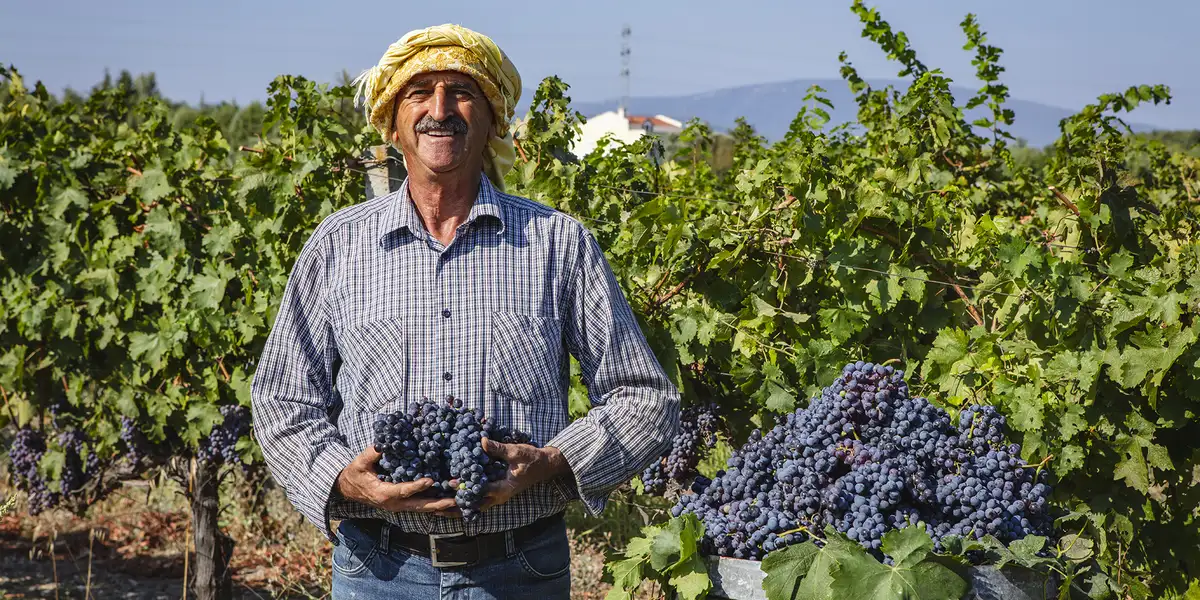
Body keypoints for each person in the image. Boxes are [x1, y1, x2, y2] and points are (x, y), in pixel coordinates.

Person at [250, 23, 681, 599]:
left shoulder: (558, 244)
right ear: (392, 120)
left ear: (491, 118)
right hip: (378, 573)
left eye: (461, 91)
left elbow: (646, 399)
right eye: (418, 92)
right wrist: (344, 480)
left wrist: (552, 460)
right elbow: (281, 399)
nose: (439, 109)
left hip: (521, 570)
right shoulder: (337, 247)